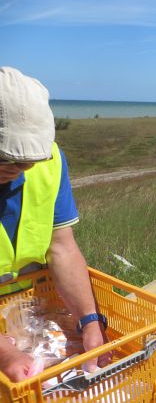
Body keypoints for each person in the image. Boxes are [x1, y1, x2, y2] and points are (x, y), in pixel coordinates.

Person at [0, 67, 110, 382]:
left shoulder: (50, 161)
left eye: (30, 159)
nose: (21, 169)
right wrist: (5, 353)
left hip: (25, 308)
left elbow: (62, 247)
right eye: (8, 158)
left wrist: (89, 322)